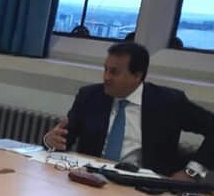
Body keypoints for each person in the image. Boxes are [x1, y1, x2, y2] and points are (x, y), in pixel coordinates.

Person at [43, 42, 214, 178]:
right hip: (91, 179)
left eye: (114, 72)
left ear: (137, 75)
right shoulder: (89, 96)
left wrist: (192, 171)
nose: (106, 77)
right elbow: (63, 139)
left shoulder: (169, 102)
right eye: (105, 69)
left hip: (144, 186)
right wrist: (49, 141)